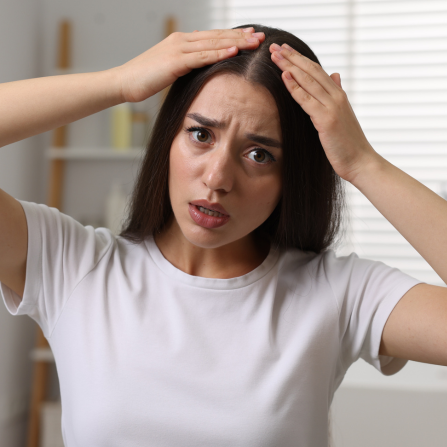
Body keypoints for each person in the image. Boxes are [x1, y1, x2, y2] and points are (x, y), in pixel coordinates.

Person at [0, 23, 446, 447]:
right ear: (168, 139)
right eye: (200, 134)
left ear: (291, 176)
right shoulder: (74, 265)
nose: (217, 178)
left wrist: (364, 164)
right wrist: (121, 82)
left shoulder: (339, 293)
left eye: (259, 154)